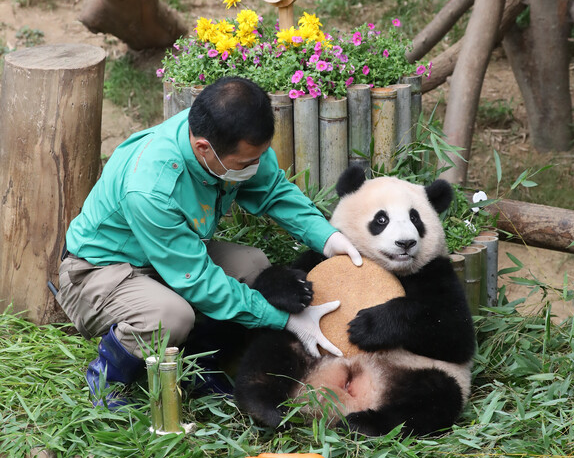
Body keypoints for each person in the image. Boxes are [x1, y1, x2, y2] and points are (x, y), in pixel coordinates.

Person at [56, 76, 362, 407]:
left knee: (253, 266)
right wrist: (285, 319)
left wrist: (328, 238)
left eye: (259, 157)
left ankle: (199, 362)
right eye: (246, 164)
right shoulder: (151, 186)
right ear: (204, 148)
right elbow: (199, 280)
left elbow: (273, 190)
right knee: (170, 317)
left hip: (167, 253)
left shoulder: (228, 138)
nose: (255, 168)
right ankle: (108, 374)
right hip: (101, 271)